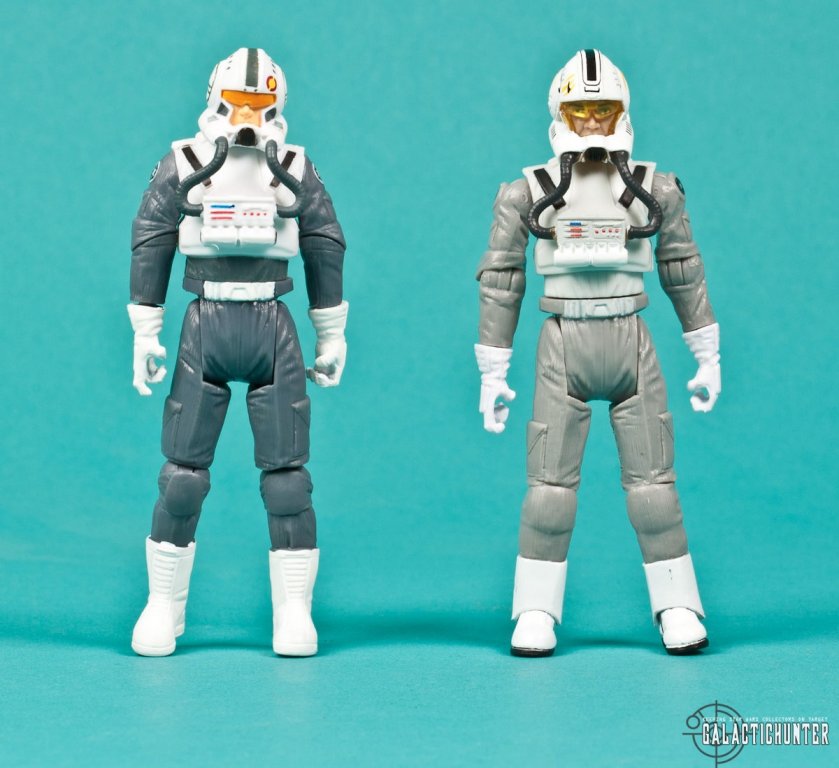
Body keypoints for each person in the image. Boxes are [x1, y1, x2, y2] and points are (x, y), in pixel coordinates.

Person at [474, 49, 720, 657]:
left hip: (632, 341)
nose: (591, 125)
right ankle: (536, 608)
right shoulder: (529, 193)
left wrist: (706, 349)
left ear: (623, 113)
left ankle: (676, 603)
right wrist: (492, 368)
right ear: (559, 115)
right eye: (580, 113)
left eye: (603, 110)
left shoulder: (654, 190)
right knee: (548, 489)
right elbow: (502, 279)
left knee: (655, 486)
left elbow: (682, 268)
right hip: (563, 345)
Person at [128, 48, 347, 658]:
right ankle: (163, 603)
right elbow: (152, 238)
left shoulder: (294, 169)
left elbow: (324, 242)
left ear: (277, 109)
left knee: (288, 481)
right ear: (216, 103)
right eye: (238, 104)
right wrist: (146, 329)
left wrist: (331, 332)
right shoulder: (185, 164)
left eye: (260, 106)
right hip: (206, 324)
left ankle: (294, 609)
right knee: (181, 478)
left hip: (272, 324)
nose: (248, 117)